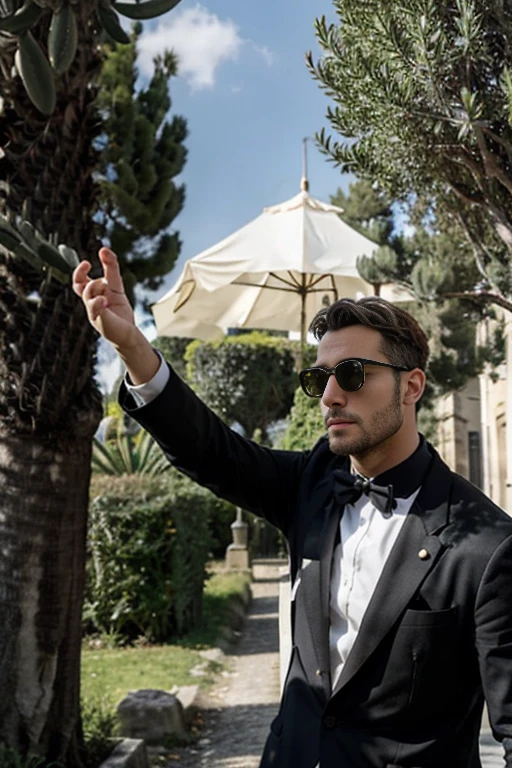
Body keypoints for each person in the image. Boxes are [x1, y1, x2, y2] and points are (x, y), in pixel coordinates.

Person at [74, 248, 512, 768]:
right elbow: (210, 451)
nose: (328, 395)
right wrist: (133, 346)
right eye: (318, 378)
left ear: (410, 386)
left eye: (350, 374)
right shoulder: (313, 482)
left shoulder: (488, 547)